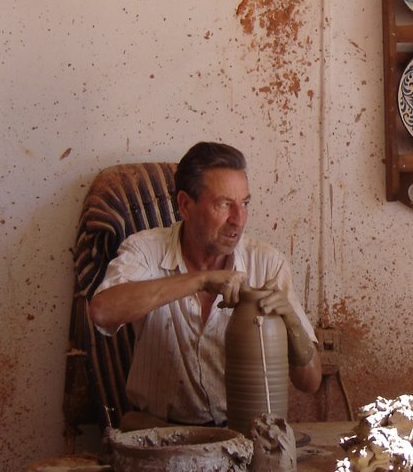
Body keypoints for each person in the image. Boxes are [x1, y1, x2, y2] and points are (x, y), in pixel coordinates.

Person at [89, 142, 321, 430]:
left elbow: (310, 382)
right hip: (160, 433)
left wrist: (291, 324)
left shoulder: (266, 264)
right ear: (186, 205)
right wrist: (198, 281)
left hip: (241, 433)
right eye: (224, 204)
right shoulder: (144, 250)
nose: (238, 219)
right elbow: (102, 311)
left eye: (245, 203)